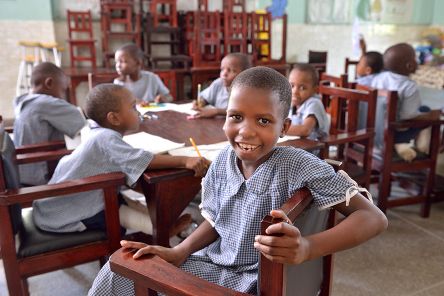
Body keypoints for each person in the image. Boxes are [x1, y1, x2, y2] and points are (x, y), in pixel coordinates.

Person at [88, 67, 387, 295]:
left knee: (129, 273)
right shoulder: (222, 162)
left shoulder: (296, 164)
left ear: (284, 127)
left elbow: (373, 218)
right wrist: (179, 252)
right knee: (118, 271)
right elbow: (218, 219)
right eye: (236, 117)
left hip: (253, 282)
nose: (246, 131)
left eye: (263, 121)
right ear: (225, 117)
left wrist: (308, 247)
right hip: (213, 264)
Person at [32, 84, 210, 235]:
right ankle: (161, 232)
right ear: (114, 118)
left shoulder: (99, 134)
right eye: (133, 107)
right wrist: (184, 160)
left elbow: (129, 158)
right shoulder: (106, 138)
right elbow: (142, 161)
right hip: (67, 213)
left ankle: (160, 226)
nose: (137, 110)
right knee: (116, 209)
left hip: (54, 206)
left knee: (123, 200)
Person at [13, 62, 86, 185]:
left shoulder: (24, 102)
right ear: (49, 83)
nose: (63, 97)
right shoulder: (43, 103)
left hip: (22, 172)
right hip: (40, 177)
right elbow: (79, 120)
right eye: (63, 90)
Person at [364, 43, 430, 161]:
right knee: (428, 117)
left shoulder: (378, 78)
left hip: (373, 132)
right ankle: (405, 144)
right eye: (415, 58)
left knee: (423, 111)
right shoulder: (409, 86)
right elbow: (408, 116)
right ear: (409, 66)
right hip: (393, 134)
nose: (417, 61)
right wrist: (429, 116)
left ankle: (402, 144)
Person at [191, 53, 251, 118]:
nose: (224, 74)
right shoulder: (219, 83)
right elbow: (205, 98)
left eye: (231, 70)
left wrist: (217, 111)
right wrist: (200, 102)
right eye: (222, 69)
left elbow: (244, 112)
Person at [287, 63, 329, 140]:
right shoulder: (293, 104)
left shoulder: (314, 103)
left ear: (315, 90)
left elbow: (305, 130)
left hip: (312, 149)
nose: (295, 92)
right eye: (292, 85)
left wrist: (277, 129)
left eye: (302, 88)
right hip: (296, 145)